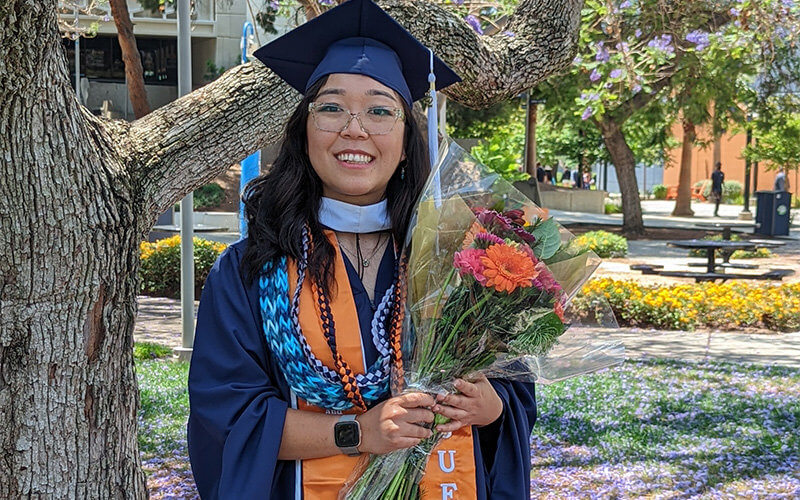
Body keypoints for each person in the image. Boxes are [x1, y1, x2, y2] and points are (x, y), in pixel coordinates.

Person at [186, 1, 538, 498]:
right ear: (303, 130)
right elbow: (228, 417)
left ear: (406, 134)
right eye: (331, 107)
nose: (355, 129)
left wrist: (491, 406)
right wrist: (359, 432)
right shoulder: (249, 271)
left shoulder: (461, 260)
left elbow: (515, 391)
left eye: (379, 110)